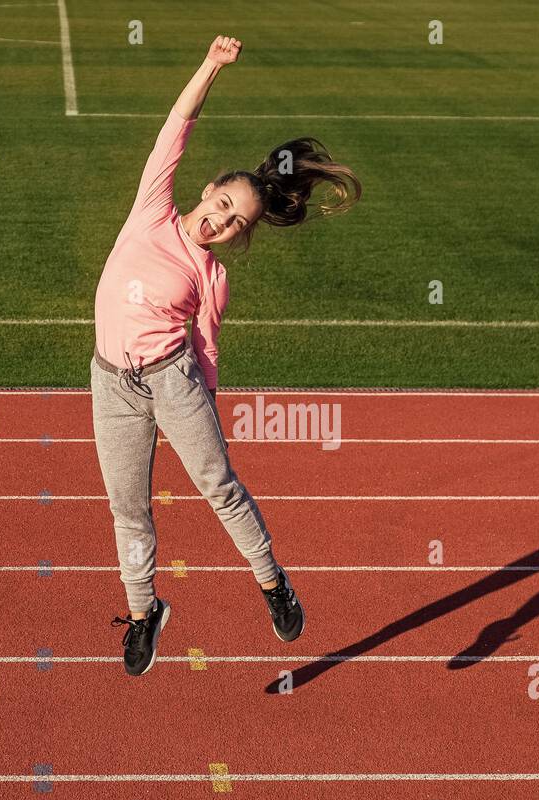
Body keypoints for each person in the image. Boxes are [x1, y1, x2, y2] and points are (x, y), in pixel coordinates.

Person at [90, 35, 362, 675]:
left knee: (218, 485)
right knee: (128, 507)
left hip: (172, 382)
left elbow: (205, 350)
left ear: (241, 235)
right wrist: (211, 65)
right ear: (207, 189)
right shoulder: (152, 210)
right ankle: (143, 613)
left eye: (235, 220)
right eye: (221, 203)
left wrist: (200, 411)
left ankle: (273, 584)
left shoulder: (212, 279)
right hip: (111, 383)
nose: (220, 219)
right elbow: (174, 127)